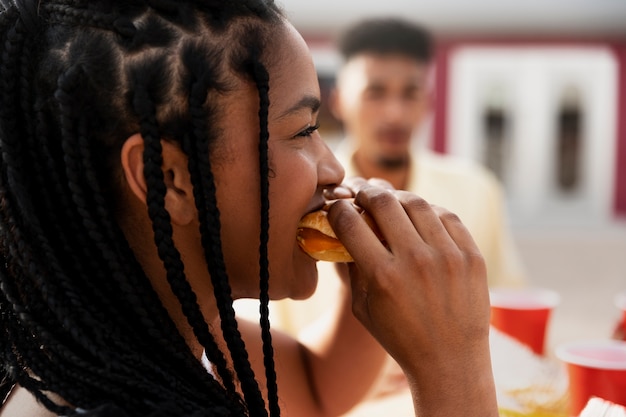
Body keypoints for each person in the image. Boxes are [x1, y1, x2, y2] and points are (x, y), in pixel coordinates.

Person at [0, 2, 499, 417]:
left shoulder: (168, 336)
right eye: (303, 130)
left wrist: (377, 282)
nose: (334, 168)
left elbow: (316, 387)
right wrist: (454, 368)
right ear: (167, 177)